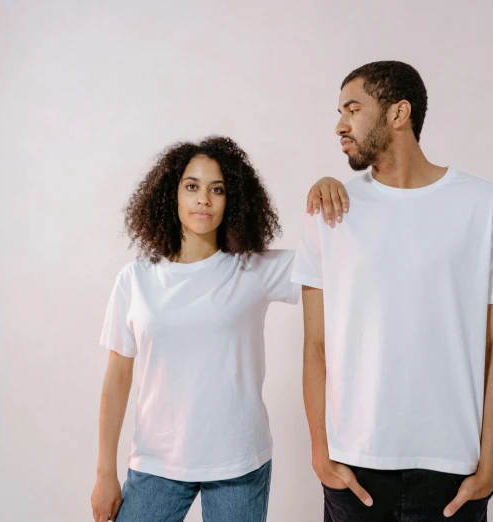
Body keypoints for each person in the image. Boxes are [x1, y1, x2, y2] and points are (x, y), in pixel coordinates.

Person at [293, 61, 493, 521]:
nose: (339, 125)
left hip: (452, 471)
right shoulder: (327, 210)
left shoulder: (485, 205)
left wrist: (491, 464)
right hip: (354, 468)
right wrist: (321, 453)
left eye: (353, 108)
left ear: (398, 112)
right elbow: (315, 346)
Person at [90, 136, 348, 522]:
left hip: (239, 464)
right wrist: (105, 473)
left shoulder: (254, 270)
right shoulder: (135, 279)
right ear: (170, 194)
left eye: (217, 190)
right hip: (156, 463)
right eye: (191, 186)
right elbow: (116, 378)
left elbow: (340, 264)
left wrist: (329, 191)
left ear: (233, 201)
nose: (203, 200)